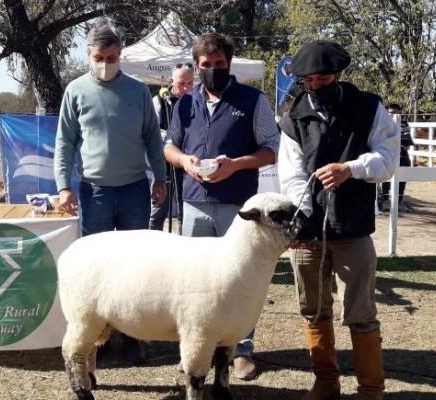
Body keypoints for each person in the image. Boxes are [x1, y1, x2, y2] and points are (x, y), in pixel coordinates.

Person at [278, 40, 399, 400]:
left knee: (361, 313)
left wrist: (352, 168)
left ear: (339, 74)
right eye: (308, 80)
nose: (315, 85)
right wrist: (302, 219)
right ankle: (326, 382)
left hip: (353, 226)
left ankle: (370, 390)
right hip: (310, 232)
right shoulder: (293, 117)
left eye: (323, 78)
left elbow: (388, 159)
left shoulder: (368, 108)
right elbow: (293, 176)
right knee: (313, 310)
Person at [164, 33, 280, 381]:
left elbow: (272, 148)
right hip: (195, 204)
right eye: (206, 65)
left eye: (219, 64)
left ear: (229, 64)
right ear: (196, 66)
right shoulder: (185, 104)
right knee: (193, 282)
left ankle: (241, 351)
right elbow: (169, 146)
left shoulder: (253, 99)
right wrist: (184, 161)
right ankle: (195, 350)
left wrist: (236, 163)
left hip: (240, 207)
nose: (213, 70)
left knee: (241, 281)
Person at [53, 20, 167, 365]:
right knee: (98, 270)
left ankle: (135, 338)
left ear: (120, 54)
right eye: (100, 57)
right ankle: (99, 341)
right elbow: (65, 142)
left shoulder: (138, 91)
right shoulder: (75, 91)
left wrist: (159, 179)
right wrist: (63, 186)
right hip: (94, 192)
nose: (106, 62)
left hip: (135, 189)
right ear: (89, 55)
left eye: (113, 56)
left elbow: (152, 138)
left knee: (136, 268)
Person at [149, 64, 194, 232]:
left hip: (187, 162)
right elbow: (152, 131)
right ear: (171, 81)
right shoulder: (160, 101)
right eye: (181, 83)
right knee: (159, 210)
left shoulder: (196, 100)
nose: (186, 88)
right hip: (164, 163)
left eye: (190, 83)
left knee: (186, 210)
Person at [381, 103, 414, 212]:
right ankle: (386, 200)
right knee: (385, 178)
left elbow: (407, 141)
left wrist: (396, 144)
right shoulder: (381, 123)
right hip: (386, 154)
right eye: (390, 113)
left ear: (400, 113)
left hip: (401, 154)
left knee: (402, 177)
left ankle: (399, 201)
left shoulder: (403, 123)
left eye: (395, 113)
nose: (392, 115)